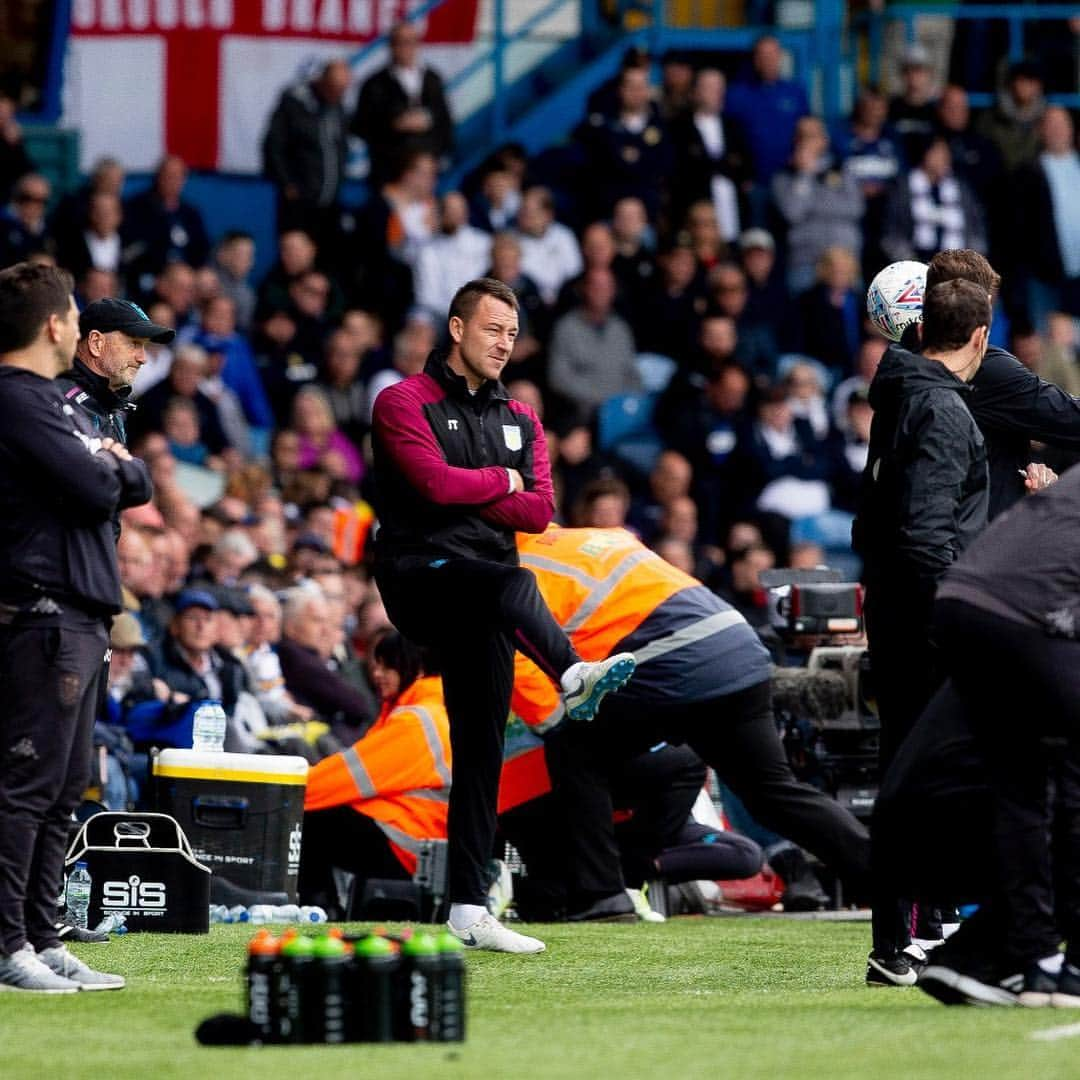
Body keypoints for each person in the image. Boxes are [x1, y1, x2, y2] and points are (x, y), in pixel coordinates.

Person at [370, 277, 637, 953]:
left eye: (512, 334)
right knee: (514, 582)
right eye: (493, 329)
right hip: (419, 573)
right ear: (457, 329)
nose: (504, 343)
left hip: (484, 592)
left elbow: (539, 510)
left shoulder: (521, 418)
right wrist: (502, 481)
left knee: (482, 748)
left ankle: (468, 908)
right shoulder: (403, 401)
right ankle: (573, 672)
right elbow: (429, 486)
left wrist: (480, 488)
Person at [507, 525, 870, 920]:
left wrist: (550, 724)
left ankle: (604, 896)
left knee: (574, 745)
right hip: (737, 645)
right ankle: (894, 881)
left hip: (670, 659)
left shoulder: (518, 571)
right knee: (773, 794)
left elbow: (533, 691)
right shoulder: (597, 535)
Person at [0, 262, 151, 992]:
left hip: (83, 609)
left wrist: (114, 466)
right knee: (30, 783)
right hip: (45, 607)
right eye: (134, 342)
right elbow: (100, 483)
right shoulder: (27, 401)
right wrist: (110, 466)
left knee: (65, 786)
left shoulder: (57, 407)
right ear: (63, 327)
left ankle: (42, 934)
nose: (144, 355)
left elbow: (133, 481)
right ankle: (9, 945)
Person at [853, 277, 992, 985]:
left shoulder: (899, 396)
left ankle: (922, 930)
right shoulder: (939, 408)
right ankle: (907, 938)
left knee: (917, 773)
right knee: (938, 774)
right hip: (928, 621)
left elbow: (874, 519)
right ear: (978, 337)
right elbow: (926, 533)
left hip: (897, 611)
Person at [300, 630, 450, 916]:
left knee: (309, 818)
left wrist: (290, 787)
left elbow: (349, 775)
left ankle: (314, 909)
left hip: (412, 842)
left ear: (414, 666)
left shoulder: (417, 719)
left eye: (387, 665)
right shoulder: (432, 709)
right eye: (376, 665)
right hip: (424, 837)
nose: (377, 673)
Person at [55, 298, 176, 451]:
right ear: (96, 343)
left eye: (144, 346)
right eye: (134, 343)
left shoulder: (110, 405)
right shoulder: (61, 400)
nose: (143, 358)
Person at [353, 21, 454, 186]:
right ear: (391, 46)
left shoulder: (432, 79)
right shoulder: (375, 83)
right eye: (399, 42)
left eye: (410, 42)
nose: (405, 48)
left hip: (423, 172)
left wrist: (428, 124)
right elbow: (360, 125)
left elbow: (444, 120)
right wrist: (394, 124)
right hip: (388, 171)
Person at [262, 60, 350, 242]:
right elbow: (273, 145)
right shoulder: (295, 101)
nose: (338, 94)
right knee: (297, 255)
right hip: (299, 201)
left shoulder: (337, 105)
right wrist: (287, 184)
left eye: (342, 90)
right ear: (322, 80)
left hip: (330, 200)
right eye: (334, 89)